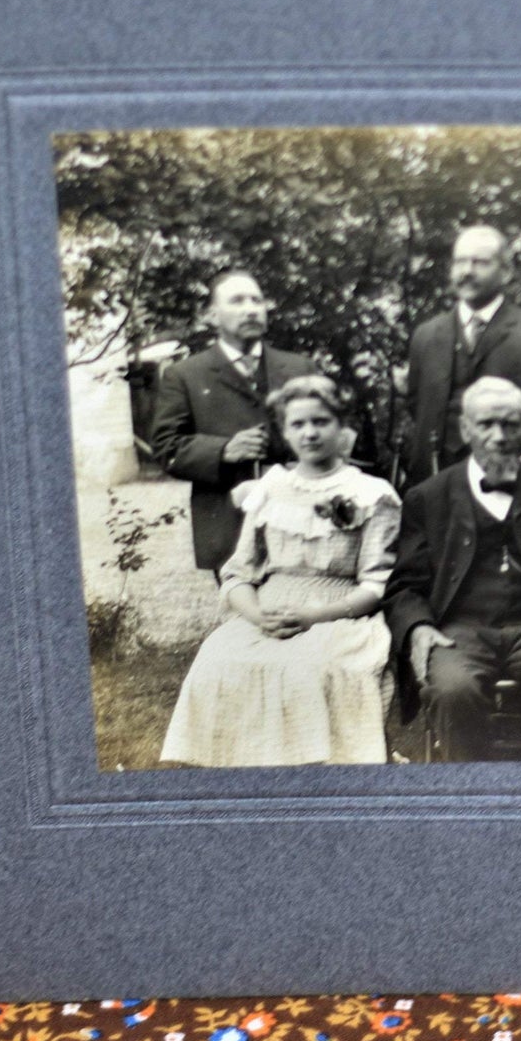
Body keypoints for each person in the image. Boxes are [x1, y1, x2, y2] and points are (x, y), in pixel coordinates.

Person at [160, 375, 401, 766]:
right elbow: (238, 573)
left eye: (321, 422)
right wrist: (257, 616)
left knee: (306, 668)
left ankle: (317, 772)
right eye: (298, 424)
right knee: (217, 658)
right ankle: (243, 769)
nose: (310, 433)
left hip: (339, 613)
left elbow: (375, 585)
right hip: (269, 610)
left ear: (342, 429)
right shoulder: (270, 489)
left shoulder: (372, 494)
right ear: (285, 433)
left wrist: (313, 616)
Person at [384, 377, 521, 761]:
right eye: (486, 424)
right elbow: (404, 585)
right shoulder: (429, 496)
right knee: (453, 690)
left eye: (510, 425)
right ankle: (471, 800)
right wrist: (419, 627)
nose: (499, 436)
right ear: (465, 429)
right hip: (458, 631)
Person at [149, 269, 319, 573]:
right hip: (231, 525)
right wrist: (223, 450)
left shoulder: (299, 367)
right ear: (212, 316)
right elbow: (165, 446)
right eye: (237, 301)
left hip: (300, 518)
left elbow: (328, 431)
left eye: (257, 300)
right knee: (247, 618)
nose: (251, 309)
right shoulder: (186, 375)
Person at [400, 224, 521, 486]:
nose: (467, 271)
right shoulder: (426, 335)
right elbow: (417, 405)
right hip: (436, 479)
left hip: (512, 474)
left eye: (480, 262)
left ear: (506, 272)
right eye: (460, 262)